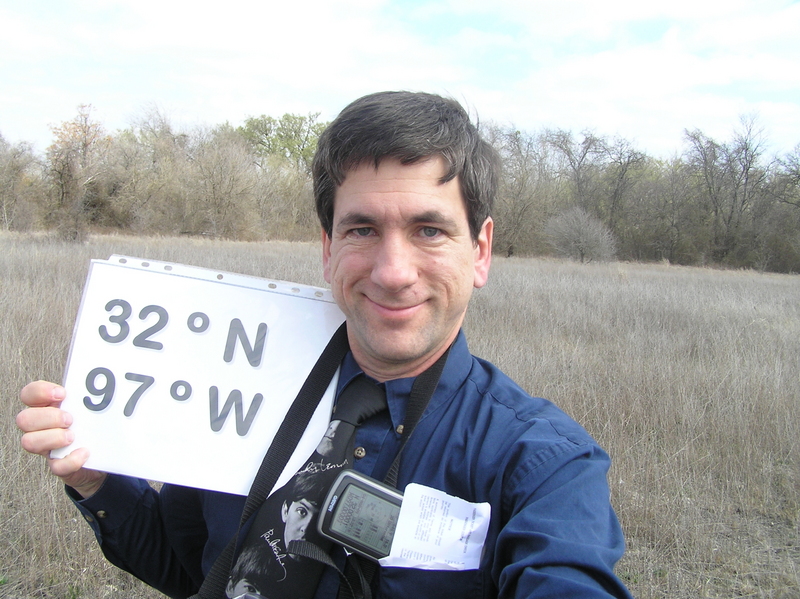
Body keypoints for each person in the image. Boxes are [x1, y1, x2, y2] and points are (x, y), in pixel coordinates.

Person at [17, 91, 633, 598]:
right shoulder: (238, 394)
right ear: (327, 247)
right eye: (362, 229)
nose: (393, 271)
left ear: (480, 250)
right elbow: (195, 572)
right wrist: (100, 480)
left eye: (429, 230)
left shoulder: (544, 464)